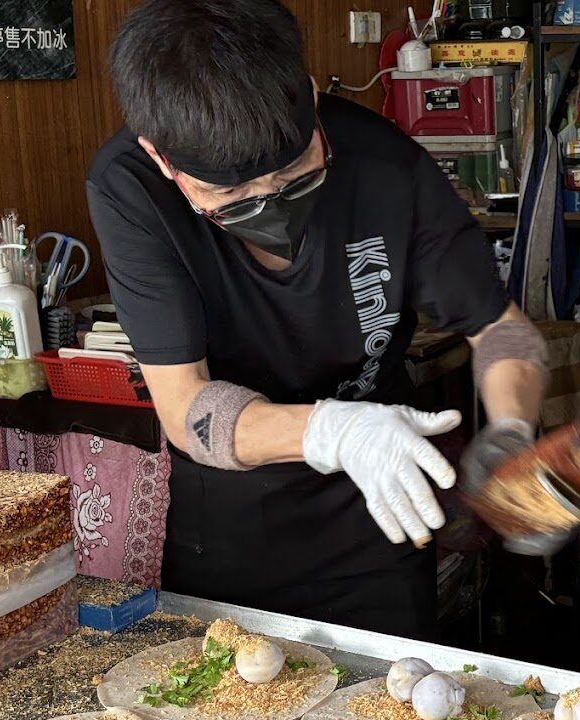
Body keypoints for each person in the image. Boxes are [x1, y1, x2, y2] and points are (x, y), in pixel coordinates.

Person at [87, 0, 548, 640]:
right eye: (230, 196)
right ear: (163, 161)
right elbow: (184, 406)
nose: (269, 205)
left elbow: (501, 329)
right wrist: (333, 431)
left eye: (292, 170)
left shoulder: (387, 166)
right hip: (229, 525)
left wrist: (513, 430)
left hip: (380, 511)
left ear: (307, 97)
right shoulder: (131, 190)